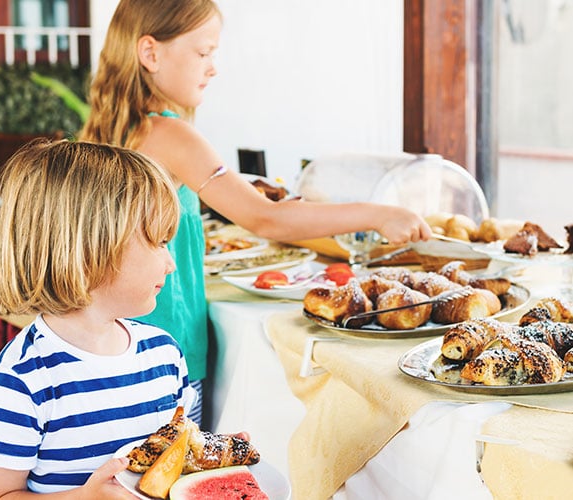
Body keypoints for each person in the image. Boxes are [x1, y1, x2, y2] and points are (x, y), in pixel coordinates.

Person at [79, 0, 432, 425]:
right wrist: (379, 214)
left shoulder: (120, 130)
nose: (213, 68)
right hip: (166, 347)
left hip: (120, 342)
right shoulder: (170, 133)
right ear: (150, 53)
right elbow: (266, 219)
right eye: (203, 52)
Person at [0, 139, 196, 497]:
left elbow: (177, 451)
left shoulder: (164, 354)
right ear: (91, 250)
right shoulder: (19, 386)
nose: (170, 263)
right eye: (158, 241)